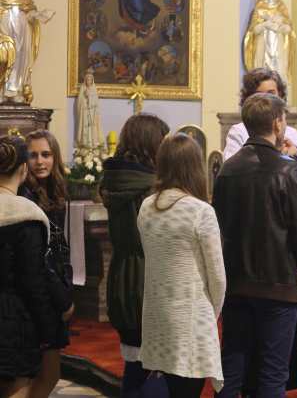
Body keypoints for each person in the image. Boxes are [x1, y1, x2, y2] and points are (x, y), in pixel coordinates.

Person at [214, 93, 297, 397]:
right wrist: (296, 262)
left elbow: (218, 226)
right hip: (278, 287)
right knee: (272, 375)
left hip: (235, 284)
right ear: (277, 123)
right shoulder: (288, 169)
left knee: (231, 371)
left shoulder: (227, 170)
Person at [137, 133, 226, 398]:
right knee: (188, 390)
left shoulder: (145, 208)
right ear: (195, 166)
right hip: (191, 321)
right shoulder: (200, 211)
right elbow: (218, 277)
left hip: (157, 316)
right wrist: (212, 313)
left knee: (174, 390)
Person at [99, 114, 170, 398]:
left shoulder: (114, 181)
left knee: (134, 363)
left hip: (122, 278)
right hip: (150, 281)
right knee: (158, 368)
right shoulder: (152, 188)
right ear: (152, 144)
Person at [0, 135, 64, 398]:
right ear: (24, 169)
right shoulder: (26, 214)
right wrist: (49, 328)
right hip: (12, 315)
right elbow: (33, 280)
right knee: (18, 389)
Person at [18, 130, 74, 398]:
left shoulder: (57, 190)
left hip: (52, 289)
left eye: (46, 154)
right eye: (33, 155)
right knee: (34, 376)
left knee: (49, 374)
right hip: (36, 292)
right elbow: (40, 255)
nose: (40, 161)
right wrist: (62, 298)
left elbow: (61, 246)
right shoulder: (24, 195)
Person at [224, 68, 297, 161]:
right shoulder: (239, 131)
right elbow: (232, 166)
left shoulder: (292, 133)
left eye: (271, 94)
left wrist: (296, 153)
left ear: (280, 95)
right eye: (259, 95)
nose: (267, 101)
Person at [0, 0, 54, 103]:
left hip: (23, 30)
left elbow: (29, 10)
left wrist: (38, 14)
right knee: (6, 55)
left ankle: (15, 90)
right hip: (4, 28)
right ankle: (2, 90)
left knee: (21, 57)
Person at [243, 0, 295, 83]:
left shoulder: (281, 7)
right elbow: (254, 30)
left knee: (278, 74)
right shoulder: (259, 8)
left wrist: (280, 26)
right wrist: (265, 24)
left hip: (277, 46)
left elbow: (288, 28)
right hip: (263, 45)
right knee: (262, 74)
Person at [76, 69, 105, 150]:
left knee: (92, 129)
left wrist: (90, 98)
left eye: (90, 80)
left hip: (92, 113)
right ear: (85, 80)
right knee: (86, 129)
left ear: (92, 81)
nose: (89, 81)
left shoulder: (94, 90)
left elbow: (96, 103)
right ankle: (85, 143)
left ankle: (93, 143)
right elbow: (79, 103)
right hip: (85, 114)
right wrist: (84, 102)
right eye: (87, 79)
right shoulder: (82, 89)